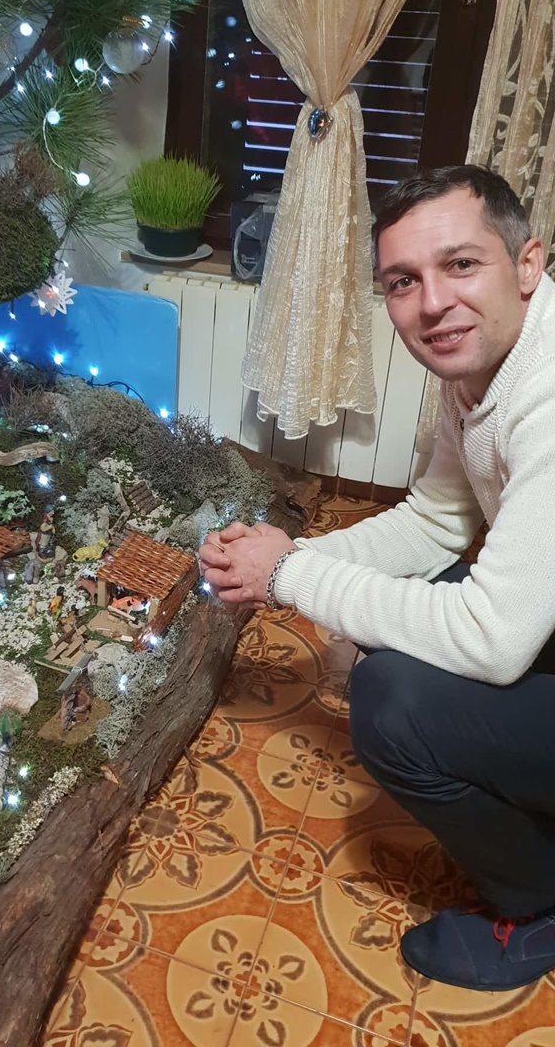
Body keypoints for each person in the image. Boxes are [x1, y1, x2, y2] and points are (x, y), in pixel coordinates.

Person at [199, 165, 555, 993]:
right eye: (403, 281)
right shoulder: (485, 363)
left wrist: (287, 574)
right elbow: (436, 521)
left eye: (460, 264)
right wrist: (293, 554)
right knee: (420, 606)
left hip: (517, 633)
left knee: (393, 702)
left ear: (528, 264)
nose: (432, 303)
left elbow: (494, 639)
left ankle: (539, 905)